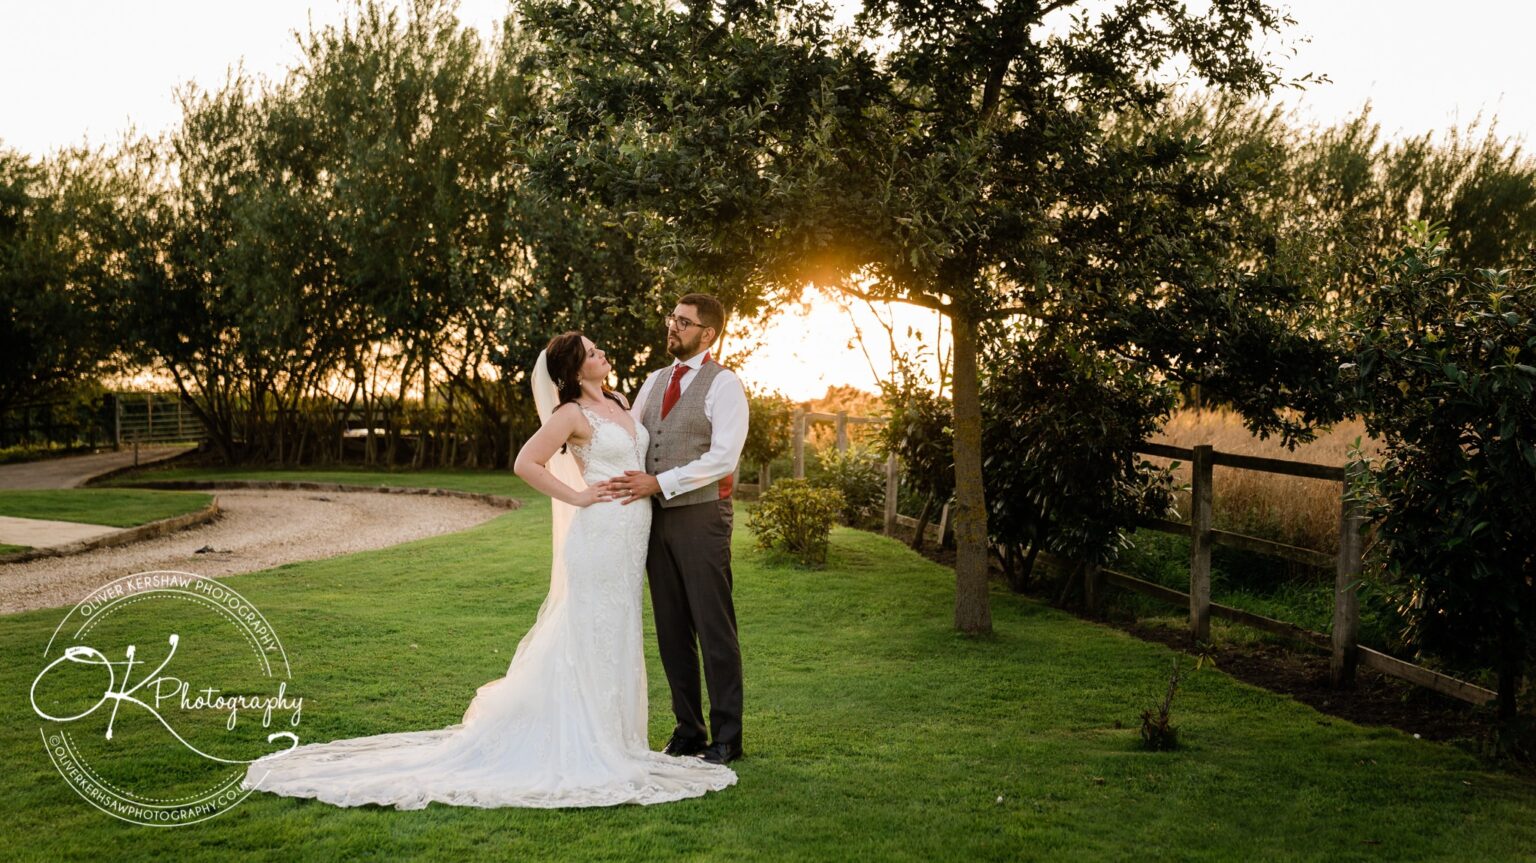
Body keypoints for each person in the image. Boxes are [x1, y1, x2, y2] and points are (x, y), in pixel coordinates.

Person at [239, 331, 737, 809]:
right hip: (601, 533)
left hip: (633, 539)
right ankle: (584, 740)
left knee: (618, 630)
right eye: (592, 351)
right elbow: (527, 463)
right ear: (573, 368)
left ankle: (615, 736)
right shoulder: (571, 413)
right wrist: (580, 495)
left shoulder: (625, 401)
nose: (603, 353)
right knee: (590, 629)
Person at [606, 293, 749, 765]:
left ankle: (727, 737)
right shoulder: (653, 380)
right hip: (652, 521)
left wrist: (660, 481)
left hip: (702, 518)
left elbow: (723, 458)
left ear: (707, 334)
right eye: (673, 318)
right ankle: (688, 729)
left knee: (713, 628)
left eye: (684, 322)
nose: (673, 327)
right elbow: (633, 431)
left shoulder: (724, 385)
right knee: (670, 629)